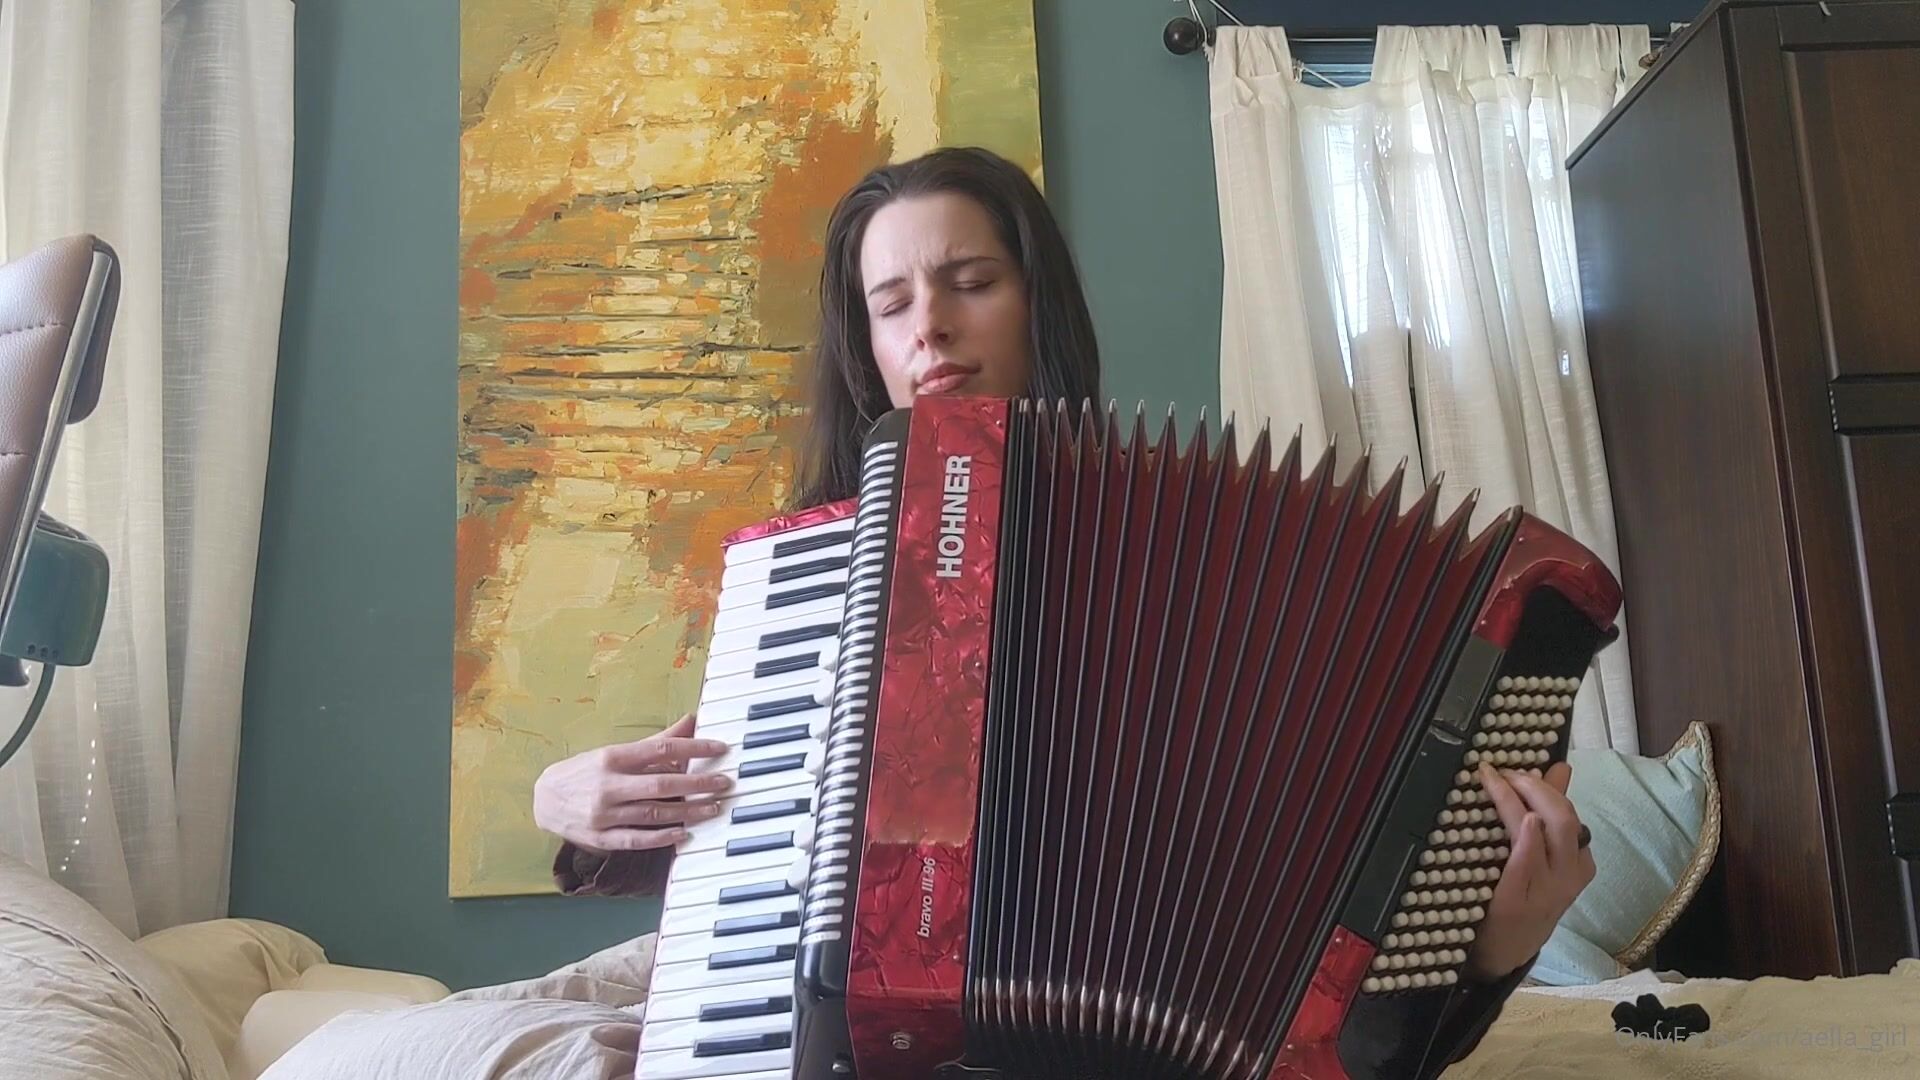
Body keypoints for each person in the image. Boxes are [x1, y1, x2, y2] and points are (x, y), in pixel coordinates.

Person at [531, 145, 1592, 1068]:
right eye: (891, 305)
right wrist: (568, 805)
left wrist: (1495, 949)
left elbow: (1373, 1041)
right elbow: (743, 824)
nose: (930, 326)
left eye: (971, 282)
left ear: (1039, 304)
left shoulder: (1193, 538)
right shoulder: (816, 585)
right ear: (867, 349)